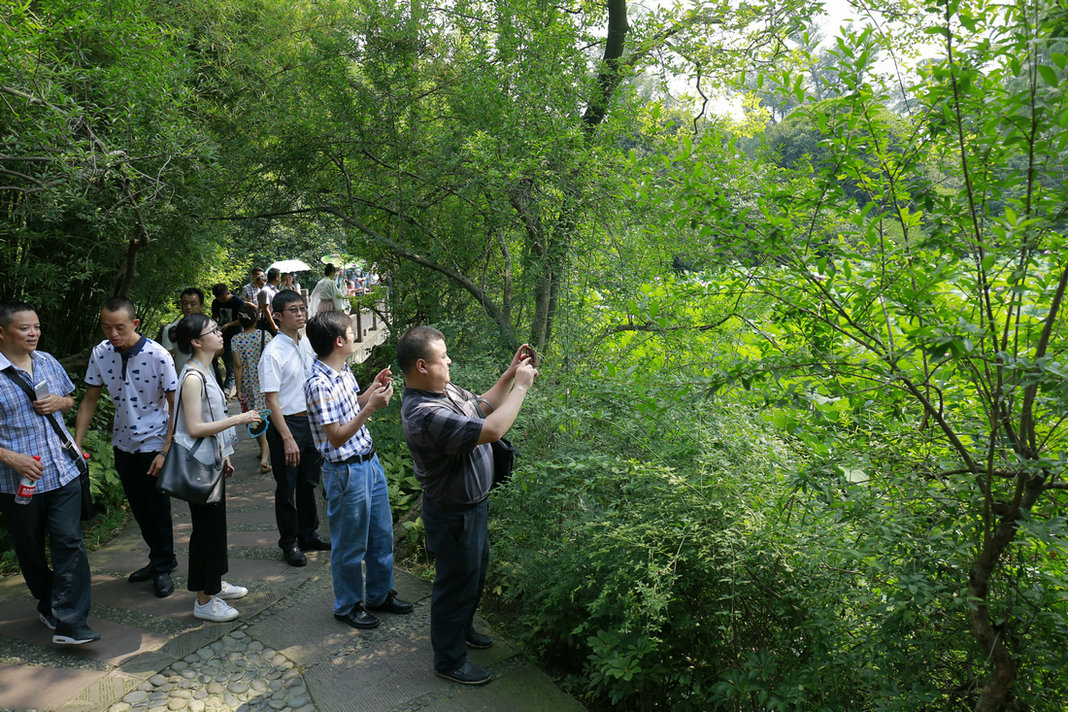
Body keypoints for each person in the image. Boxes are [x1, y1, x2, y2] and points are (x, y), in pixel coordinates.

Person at [398, 327, 537, 685]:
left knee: (473, 577)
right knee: (454, 586)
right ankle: (449, 660)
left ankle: (462, 630)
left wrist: (509, 374)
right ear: (422, 366)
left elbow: (484, 406)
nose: (449, 361)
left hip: (473, 507)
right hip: (453, 514)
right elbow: (491, 429)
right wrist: (521, 387)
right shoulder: (424, 413)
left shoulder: (444, 391)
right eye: (442, 356)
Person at [304, 312, 413, 630]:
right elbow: (336, 436)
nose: (354, 335)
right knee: (350, 544)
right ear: (339, 341)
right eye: (351, 332)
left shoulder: (343, 371)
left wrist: (371, 391)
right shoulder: (318, 384)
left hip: (369, 462)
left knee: (381, 535)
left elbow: (353, 404)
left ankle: (379, 595)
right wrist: (371, 408)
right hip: (345, 473)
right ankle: (348, 605)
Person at [0, 303, 100, 645]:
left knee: (69, 542)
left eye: (37, 327)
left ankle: (72, 623)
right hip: (17, 483)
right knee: (29, 550)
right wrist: (10, 457)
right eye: (24, 328)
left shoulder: (46, 361)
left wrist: (60, 402)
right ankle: (48, 603)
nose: (33, 333)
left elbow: (69, 400)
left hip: (62, 471)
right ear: (2, 332)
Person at [74, 297, 177, 598]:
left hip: (155, 441)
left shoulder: (158, 355)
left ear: (135, 323)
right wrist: (76, 444)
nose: (113, 333)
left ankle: (162, 566)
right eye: (107, 327)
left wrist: (165, 450)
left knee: (157, 507)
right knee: (139, 507)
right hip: (123, 442)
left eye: (119, 327)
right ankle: (160, 558)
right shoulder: (100, 352)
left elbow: (176, 405)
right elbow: (90, 399)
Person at [173, 314, 261, 621]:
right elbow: (194, 427)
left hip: (212, 461)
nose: (220, 333)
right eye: (212, 331)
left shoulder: (206, 369)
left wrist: (225, 455)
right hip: (199, 467)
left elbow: (210, 417)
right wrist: (240, 418)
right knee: (205, 532)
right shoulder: (192, 377)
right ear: (196, 342)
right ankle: (204, 599)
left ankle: (214, 584)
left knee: (215, 528)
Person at [258, 290, 330, 566]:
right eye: (293, 310)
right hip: (286, 424)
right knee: (287, 487)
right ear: (277, 316)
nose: (300, 313)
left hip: (310, 421)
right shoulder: (273, 352)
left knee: (309, 482)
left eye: (302, 308)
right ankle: (289, 543)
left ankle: (308, 534)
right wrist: (287, 438)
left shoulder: (307, 343)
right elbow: (271, 400)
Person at [231, 304, 273, 473]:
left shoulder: (236, 340)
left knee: (254, 417)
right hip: (265, 382)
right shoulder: (265, 335)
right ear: (256, 319)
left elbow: (237, 366)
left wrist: (238, 389)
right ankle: (265, 455)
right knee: (264, 416)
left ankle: (264, 452)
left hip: (248, 384)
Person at [158, 287, 205, 374]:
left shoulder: (209, 327)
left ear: (201, 306)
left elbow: (220, 351)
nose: (188, 307)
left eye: (193, 304)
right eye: (184, 303)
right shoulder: (170, 329)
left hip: (208, 377)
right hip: (182, 377)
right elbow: (167, 358)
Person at [210, 283, 246, 395]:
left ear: (228, 293)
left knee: (232, 364)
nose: (221, 301)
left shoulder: (238, 302)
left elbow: (243, 319)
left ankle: (227, 390)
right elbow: (215, 316)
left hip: (235, 336)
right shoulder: (216, 302)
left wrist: (229, 324)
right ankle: (226, 389)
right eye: (219, 299)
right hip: (221, 336)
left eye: (223, 298)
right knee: (225, 362)